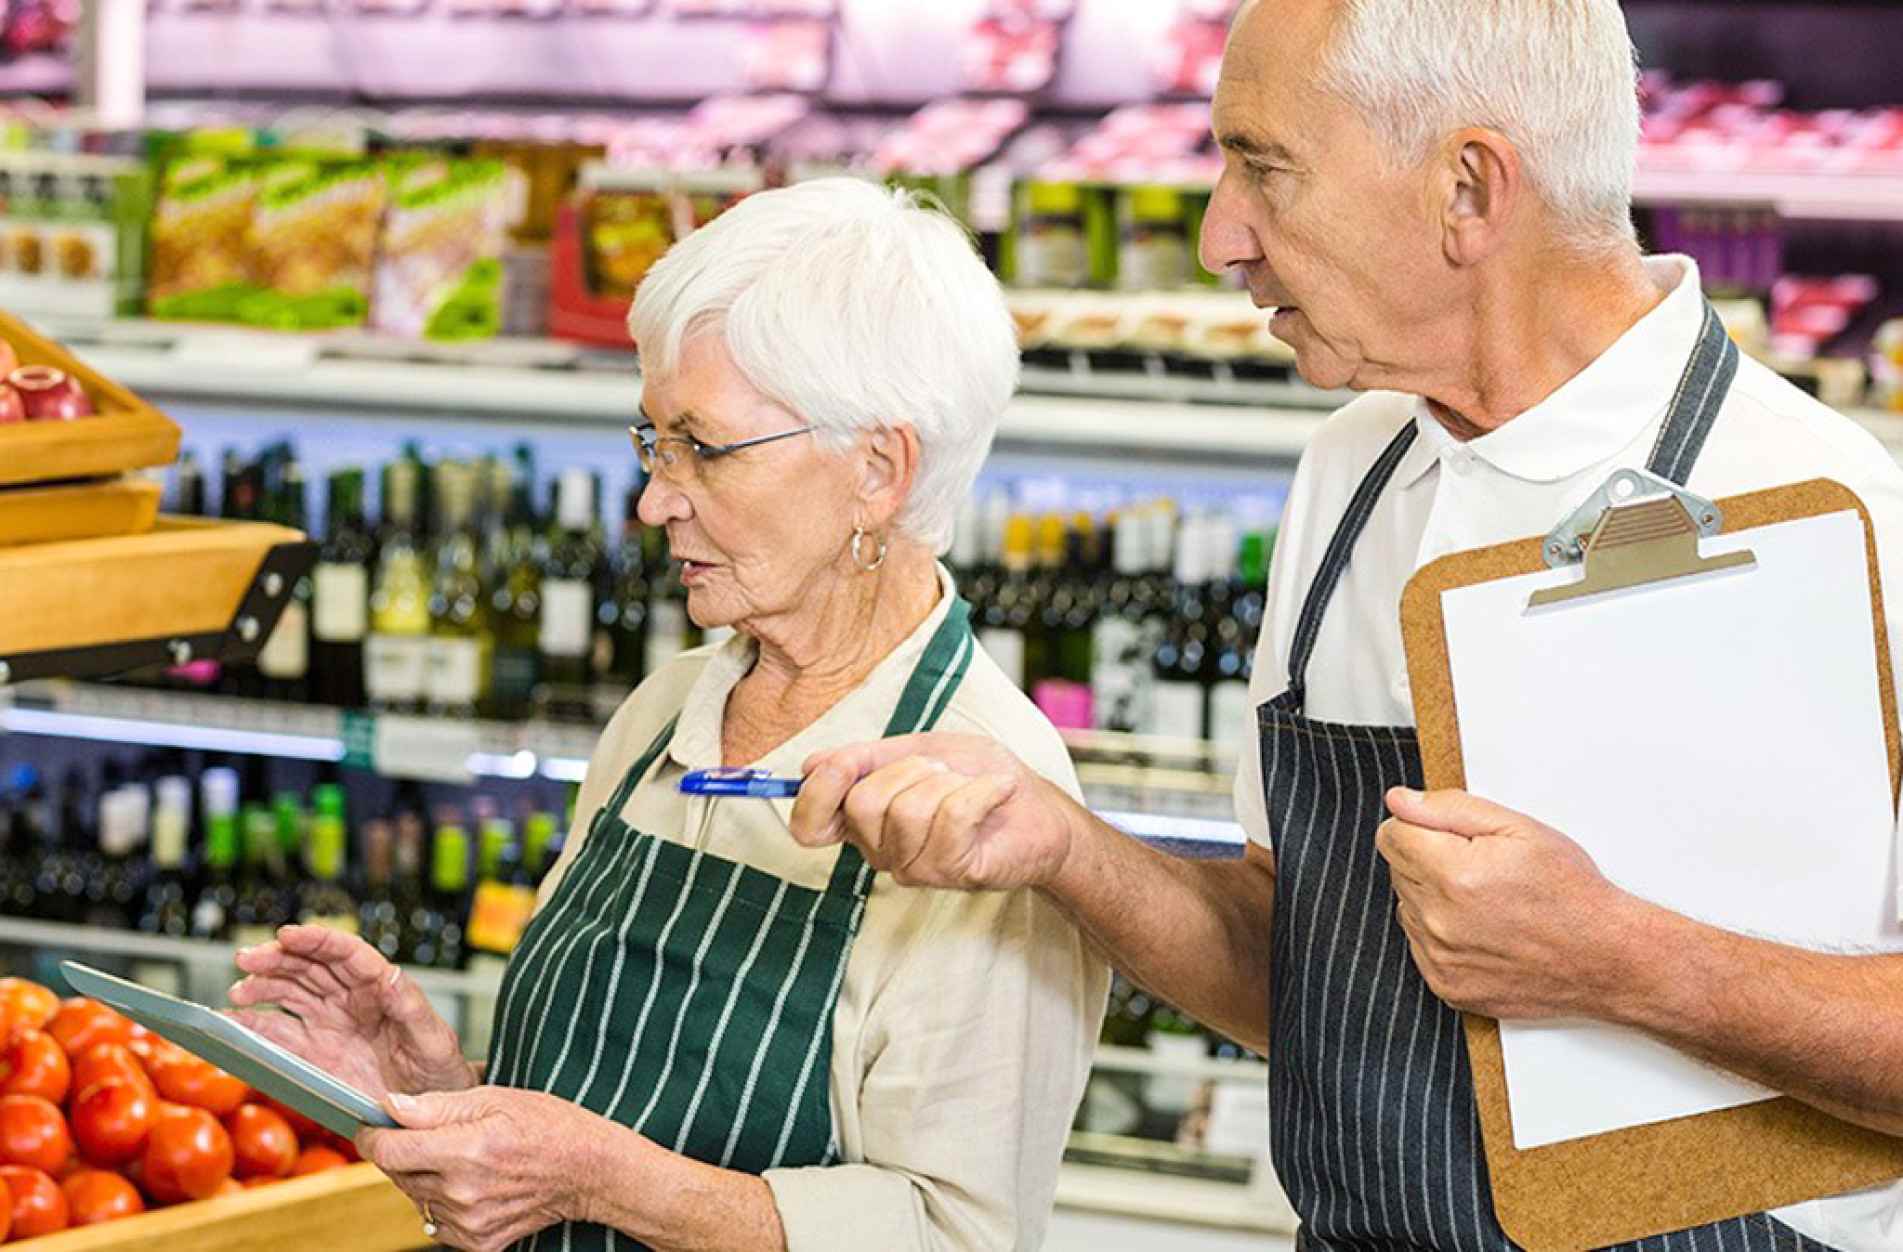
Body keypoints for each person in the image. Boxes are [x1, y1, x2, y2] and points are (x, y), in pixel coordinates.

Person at [788, 3, 1903, 1250]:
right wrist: (1060, 846)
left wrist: (1617, 957)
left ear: (1468, 190)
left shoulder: (1844, 517)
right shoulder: (1353, 470)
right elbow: (1310, 968)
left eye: (1262, 166)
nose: (1219, 237)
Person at [228, 178, 1107, 1252]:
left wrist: (603, 1179)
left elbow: (953, 1234)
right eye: (654, 439)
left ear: (877, 469)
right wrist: (440, 1088)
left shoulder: (988, 800)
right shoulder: (662, 712)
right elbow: (592, 1111)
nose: (654, 500)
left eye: (704, 446)